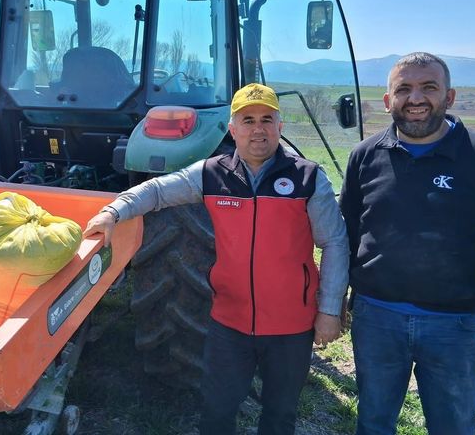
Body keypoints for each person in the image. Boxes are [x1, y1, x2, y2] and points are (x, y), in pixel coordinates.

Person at [83, 83, 349, 435]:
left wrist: (329, 310)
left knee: (280, 414)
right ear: (232, 129)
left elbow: (335, 242)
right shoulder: (210, 174)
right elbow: (159, 190)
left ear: (279, 127)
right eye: (248, 120)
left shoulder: (308, 178)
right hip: (230, 323)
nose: (258, 128)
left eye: (267, 119)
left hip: (291, 326)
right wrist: (113, 211)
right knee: (217, 411)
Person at [340, 52, 475, 435]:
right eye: (404, 89)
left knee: (454, 426)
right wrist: (335, 301)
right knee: (373, 422)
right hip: (376, 320)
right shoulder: (364, 157)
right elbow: (347, 236)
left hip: (453, 324)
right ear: (388, 101)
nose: (416, 98)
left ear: (449, 97)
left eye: (429, 87)